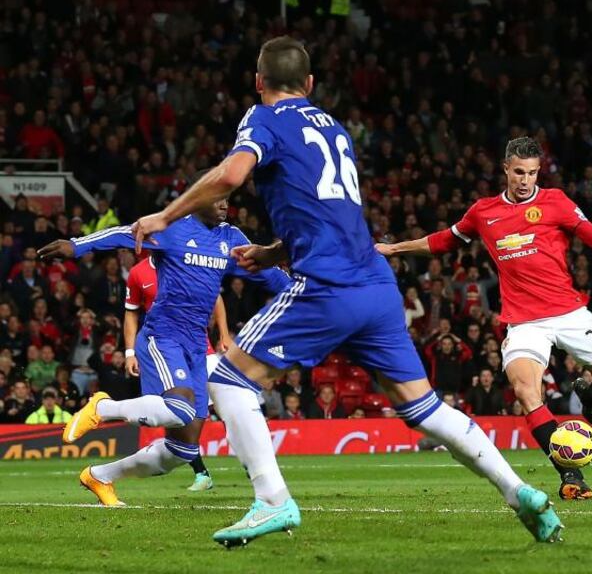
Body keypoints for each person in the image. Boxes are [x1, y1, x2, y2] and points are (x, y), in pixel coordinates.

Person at [131, 37, 563, 546]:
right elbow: (325, 213)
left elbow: (230, 175)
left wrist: (165, 214)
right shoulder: (335, 127)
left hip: (327, 286)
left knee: (228, 381)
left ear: (259, 82)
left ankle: (271, 501)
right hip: (377, 286)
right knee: (425, 408)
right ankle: (521, 493)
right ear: (310, 84)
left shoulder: (263, 118)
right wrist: (273, 253)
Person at [377, 136, 592, 500]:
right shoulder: (484, 212)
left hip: (569, 311)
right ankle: (570, 476)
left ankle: (588, 391)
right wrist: (395, 248)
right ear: (505, 169)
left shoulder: (557, 202)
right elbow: (443, 241)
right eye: (519, 172)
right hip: (524, 322)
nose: (525, 180)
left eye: (532, 173)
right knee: (525, 391)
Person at [39, 197, 290, 509]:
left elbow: (265, 269)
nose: (225, 204)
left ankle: (99, 476)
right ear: (198, 200)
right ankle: (102, 408)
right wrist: (77, 246)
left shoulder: (231, 239)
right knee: (179, 410)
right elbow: (124, 233)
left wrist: (300, 289)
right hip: (163, 336)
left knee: (181, 451)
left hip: (197, 346)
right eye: (217, 198)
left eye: (227, 199)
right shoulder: (172, 228)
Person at [124, 253, 232, 492]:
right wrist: (130, 352)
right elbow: (131, 312)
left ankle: (252, 462)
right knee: (174, 409)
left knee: (230, 404)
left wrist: (224, 333)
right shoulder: (138, 273)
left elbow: (214, 296)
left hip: (200, 348)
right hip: (164, 348)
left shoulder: (189, 261)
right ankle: (201, 472)